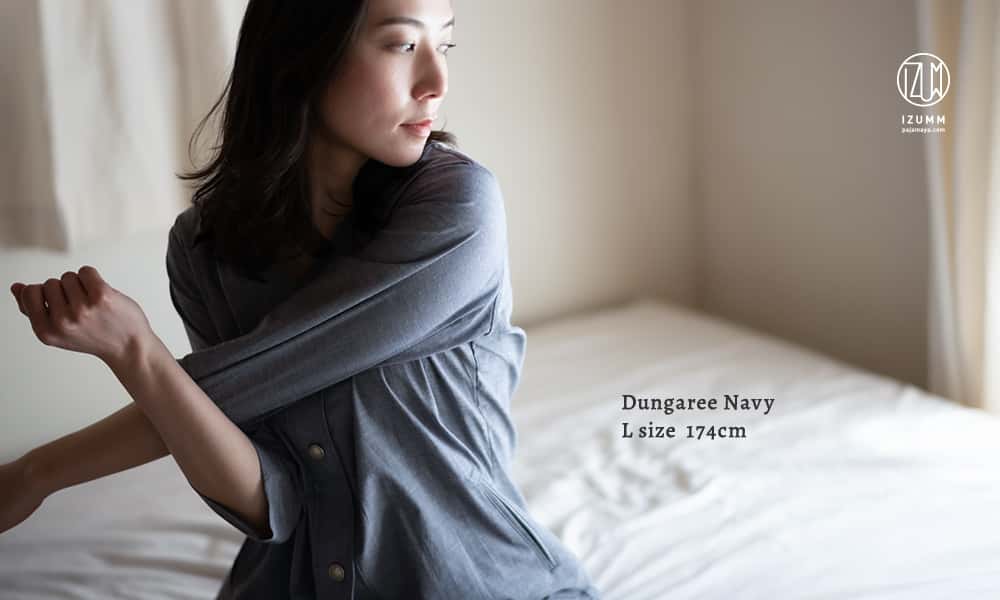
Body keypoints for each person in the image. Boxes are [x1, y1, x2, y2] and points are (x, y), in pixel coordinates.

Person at [1, 1, 600, 598]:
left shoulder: (459, 209)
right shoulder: (203, 249)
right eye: (402, 45)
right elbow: (271, 502)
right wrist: (134, 357)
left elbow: (244, 381)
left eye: (443, 46)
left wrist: (42, 467)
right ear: (305, 55)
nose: (436, 82)